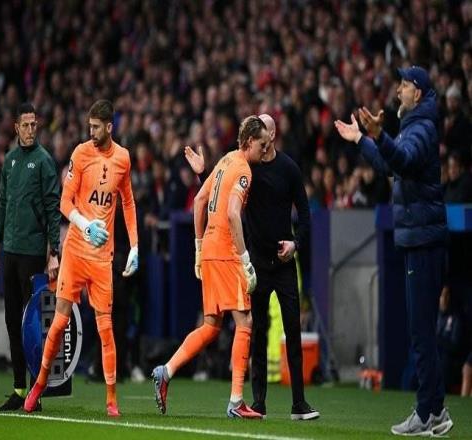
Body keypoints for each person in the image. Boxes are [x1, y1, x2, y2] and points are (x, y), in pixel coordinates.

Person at [334, 66, 453, 436]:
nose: (398, 90)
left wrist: (379, 135)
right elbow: (390, 163)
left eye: (404, 85)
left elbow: (402, 159)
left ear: (418, 92)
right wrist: (362, 140)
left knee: (421, 332)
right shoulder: (413, 126)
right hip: (419, 239)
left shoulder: (422, 127)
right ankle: (435, 410)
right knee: (421, 330)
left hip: (423, 241)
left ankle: (428, 411)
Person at [185, 114, 319, 420]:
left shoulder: (289, 169)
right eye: (261, 134)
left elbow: (305, 215)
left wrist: (295, 243)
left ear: (273, 135)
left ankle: (299, 403)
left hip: (284, 262)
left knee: (293, 330)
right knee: (256, 330)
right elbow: (217, 196)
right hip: (256, 261)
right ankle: (259, 403)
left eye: (268, 132)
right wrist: (202, 174)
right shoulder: (248, 167)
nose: (265, 140)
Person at [23, 99, 139, 417]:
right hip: (76, 250)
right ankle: (39, 385)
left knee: (106, 329)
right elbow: (64, 202)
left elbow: (128, 203)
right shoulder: (80, 153)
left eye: (96, 127)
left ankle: (111, 400)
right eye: (89, 126)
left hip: (102, 258)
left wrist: (135, 246)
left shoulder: (123, 158)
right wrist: (86, 225)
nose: (91, 132)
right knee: (60, 322)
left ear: (110, 127)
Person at [152, 115, 268, 419]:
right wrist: (245, 260)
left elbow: (200, 200)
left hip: (210, 250)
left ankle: (166, 370)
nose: (265, 149)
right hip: (228, 252)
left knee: (212, 325)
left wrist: (198, 247)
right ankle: (236, 401)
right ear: (249, 142)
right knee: (245, 321)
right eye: (262, 144)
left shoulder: (226, 160)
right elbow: (233, 213)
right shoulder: (243, 169)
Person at [0, 102, 61, 411]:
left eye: (34, 124)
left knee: (32, 324)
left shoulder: (44, 161)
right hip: (10, 250)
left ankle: (36, 390)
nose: (31, 129)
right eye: (26, 125)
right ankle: (19, 388)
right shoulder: (9, 161)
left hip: (33, 253)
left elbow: (52, 208)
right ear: (16, 127)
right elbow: (3, 203)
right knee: (11, 321)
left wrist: (54, 251)